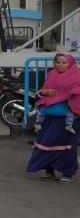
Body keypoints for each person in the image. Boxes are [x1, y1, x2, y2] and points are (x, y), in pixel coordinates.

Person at [27, 53, 80, 182]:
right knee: (46, 142)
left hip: (68, 117)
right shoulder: (51, 74)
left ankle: (67, 173)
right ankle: (49, 170)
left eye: (64, 63)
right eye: (58, 62)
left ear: (70, 64)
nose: (60, 65)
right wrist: (44, 92)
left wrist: (71, 94)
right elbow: (42, 91)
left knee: (66, 145)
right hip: (49, 116)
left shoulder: (77, 76)